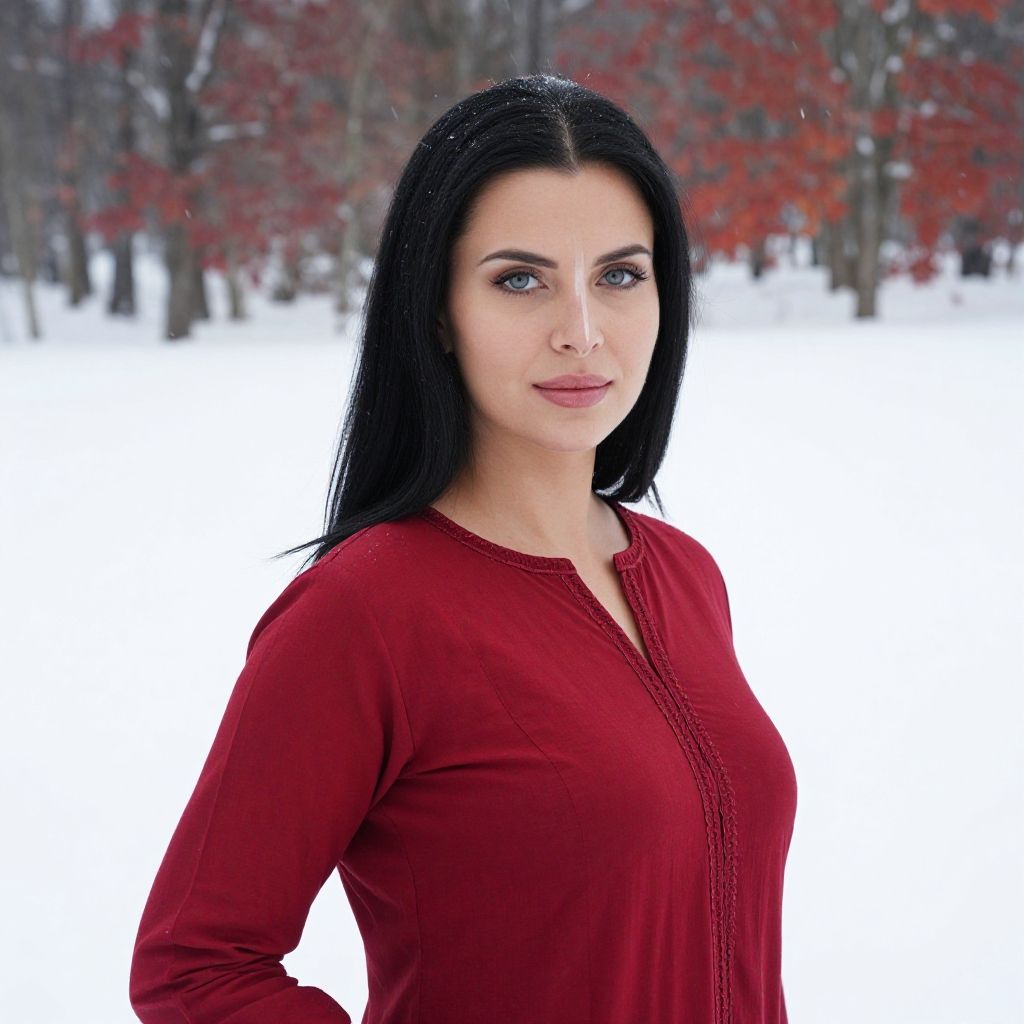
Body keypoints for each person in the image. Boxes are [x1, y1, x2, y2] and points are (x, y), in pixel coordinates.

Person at [129, 73, 797, 1024]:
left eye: (619, 276)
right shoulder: (365, 612)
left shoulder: (687, 574)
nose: (581, 333)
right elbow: (195, 967)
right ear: (438, 309)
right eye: (520, 280)